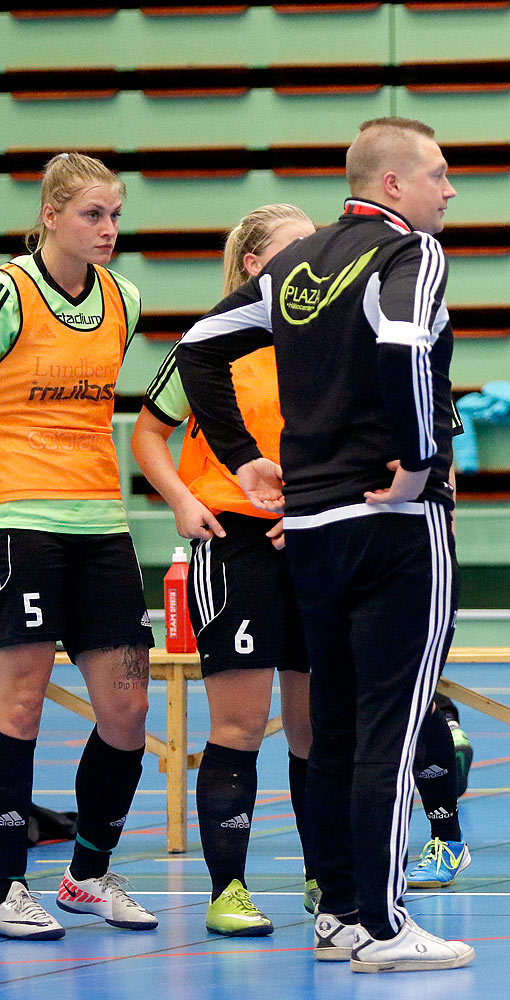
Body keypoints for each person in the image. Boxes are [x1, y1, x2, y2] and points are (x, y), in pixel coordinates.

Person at [176, 117, 473, 972]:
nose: (448, 191)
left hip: (308, 528)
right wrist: (419, 468)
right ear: (393, 185)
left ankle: (340, 910)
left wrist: (243, 460)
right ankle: (385, 927)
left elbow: (197, 349)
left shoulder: (298, 265)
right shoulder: (407, 254)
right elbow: (410, 346)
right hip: (392, 526)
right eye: (439, 175)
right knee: (389, 723)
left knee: (335, 725)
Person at [132, 204, 319, 935]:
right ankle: (229, 890)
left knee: (314, 730)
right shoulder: (214, 342)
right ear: (253, 266)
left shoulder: (327, 338)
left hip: (310, 539)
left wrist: (309, 507)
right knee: (239, 727)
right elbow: (149, 433)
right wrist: (180, 498)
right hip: (233, 544)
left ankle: (323, 877)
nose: (315, 259)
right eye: (296, 249)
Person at [0, 153, 157, 941]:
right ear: (52, 215)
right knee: (19, 706)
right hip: (17, 521)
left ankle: (86, 875)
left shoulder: (125, 298)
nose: (108, 230)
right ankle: (5, 884)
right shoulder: (8, 291)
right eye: (93, 214)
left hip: (102, 526)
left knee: (128, 709)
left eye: (116, 215)